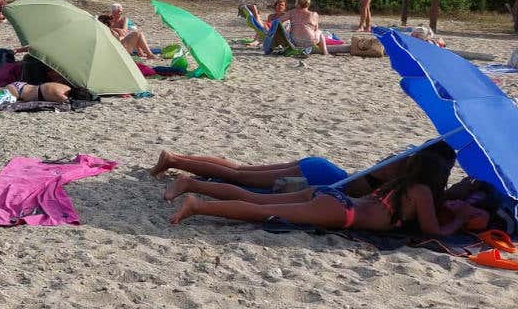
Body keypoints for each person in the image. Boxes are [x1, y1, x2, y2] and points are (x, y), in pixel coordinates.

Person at [170, 150, 455, 233]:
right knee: (260, 209)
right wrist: (458, 220)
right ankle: (198, 204)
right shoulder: (421, 192)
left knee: (253, 192)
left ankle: (193, 186)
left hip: (330, 192)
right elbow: (432, 230)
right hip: (340, 209)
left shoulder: (400, 179)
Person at [154, 142, 456, 199]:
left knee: (240, 169)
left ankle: (177, 157)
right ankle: (176, 161)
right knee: (240, 177)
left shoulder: (403, 159)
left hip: (323, 168)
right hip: (317, 178)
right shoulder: (405, 175)